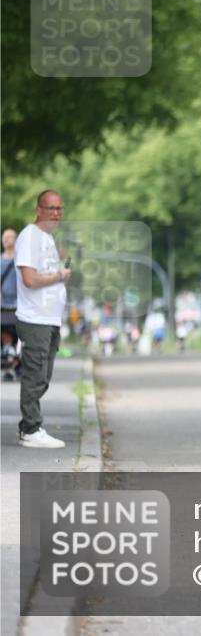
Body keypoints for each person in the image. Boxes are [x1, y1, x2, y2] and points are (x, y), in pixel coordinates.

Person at [14, 190, 72, 449]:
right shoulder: (30, 236)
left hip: (49, 318)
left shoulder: (46, 238)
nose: (56, 213)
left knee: (43, 375)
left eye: (59, 208)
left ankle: (31, 426)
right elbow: (30, 279)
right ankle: (30, 429)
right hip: (35, 318)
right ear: (38, 210)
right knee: (35, 375)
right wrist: (59, 276)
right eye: (50, 208)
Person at [2, 228, 21, 380]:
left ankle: (18, 364)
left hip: (19, 304)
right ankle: (8, 370)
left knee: (18, 336)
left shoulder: (20, 260)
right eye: (5, 237)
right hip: (3, 304)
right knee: (6, 335)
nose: (7, 240)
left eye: (10, 237)